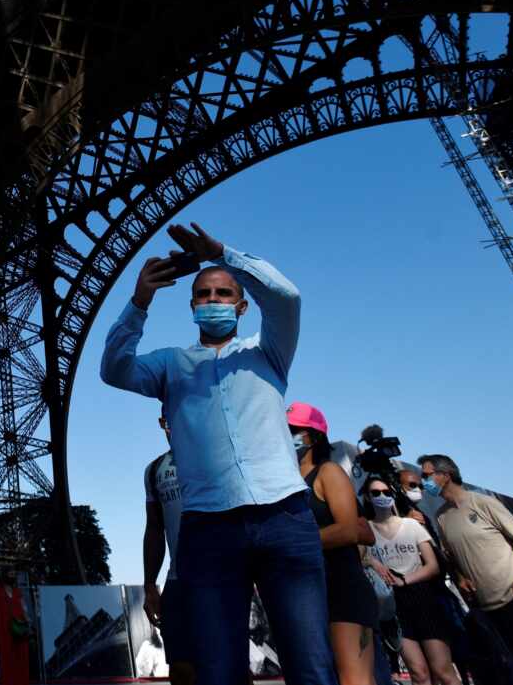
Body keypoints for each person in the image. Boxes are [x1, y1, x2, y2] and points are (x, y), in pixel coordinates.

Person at [100, 222, 336, 685]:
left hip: (283, 516)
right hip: (209, 528)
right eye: (204, 295)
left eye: (223, 293)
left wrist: (224, 255)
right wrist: (139, 302)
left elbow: (286, 298)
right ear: (191, 307)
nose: (212, 301)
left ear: (242, 304)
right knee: (219, 671)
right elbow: (114, 368)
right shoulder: (170, 364)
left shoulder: (268, 351)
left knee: (310, 663)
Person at [419, 454, 513, 685]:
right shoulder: (442, 517)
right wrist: (460, 577)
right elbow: (451, 557)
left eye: (427, 475)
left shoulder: (483, 503)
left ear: (446, 475)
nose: (424, 481)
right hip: (486, 610)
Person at [290, 403, 378, 685]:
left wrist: (294, 543)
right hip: (303, 591)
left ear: (313, 436)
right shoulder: (286, 483)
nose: (286, 436)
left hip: (342, 584)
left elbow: (353, 529)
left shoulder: (328, 472)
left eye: (293, 430)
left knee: (355, 679)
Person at [362, 477, 459, 685]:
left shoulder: (411, 525)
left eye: (386, 492)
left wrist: (404, 580)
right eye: (376, 493)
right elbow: (361, 557)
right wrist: (373, 563)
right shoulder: (365, 530)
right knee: (419, 674)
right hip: (391, 605)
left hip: (423, 598)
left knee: (443, 671)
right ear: (367, 498)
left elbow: (432, 566)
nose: (382, 496)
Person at [142, 415, 193, 685]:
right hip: (178, 580)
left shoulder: (217, 457)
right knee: (181, 669)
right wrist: (150, 585)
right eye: (167, 420)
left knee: (229, 664)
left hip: (222, 577)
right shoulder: (154, 470)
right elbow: (154, 528)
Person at [0, 565, 30, 685]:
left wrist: (27, 621)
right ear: (4, 575)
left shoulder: (18, 592)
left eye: (14, 574)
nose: (13, 576)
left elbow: (24, 609)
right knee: (6, 658)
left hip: (19, 628)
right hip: (4, 630)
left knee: (21, 657)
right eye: (10, 574)